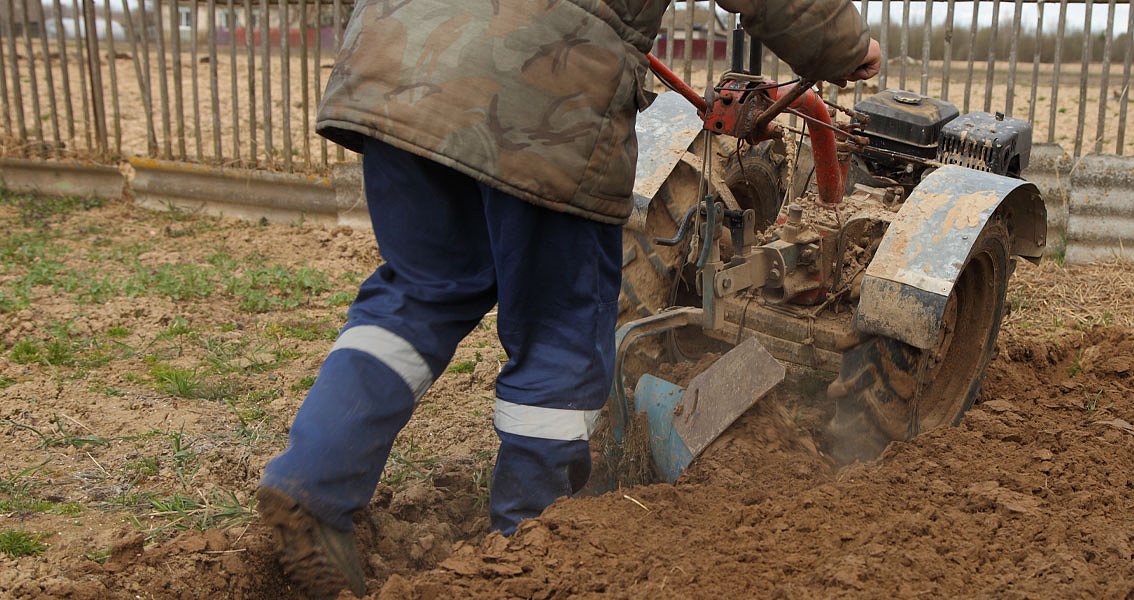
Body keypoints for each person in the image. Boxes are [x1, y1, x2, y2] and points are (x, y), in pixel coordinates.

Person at [254, 0, 882, 597]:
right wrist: (847, 48)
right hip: (542, 98)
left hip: (397, 64)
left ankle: (312, 482)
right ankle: (527, 550)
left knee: (419, 292)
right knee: (560, 330)